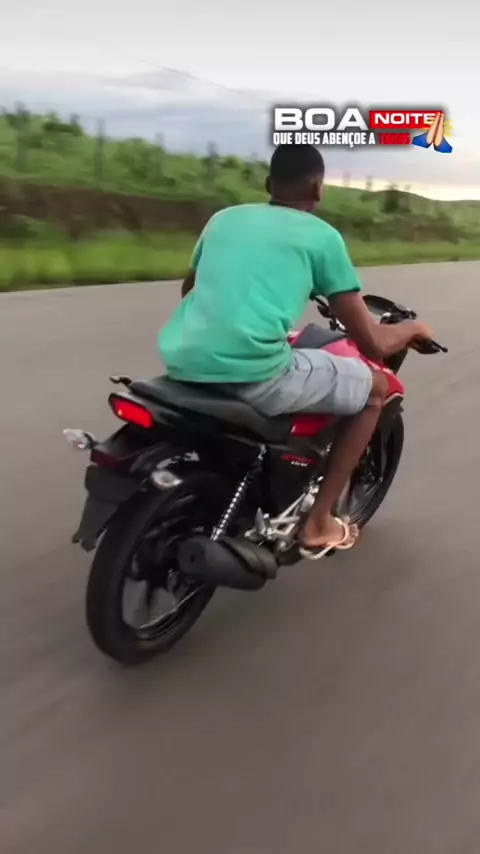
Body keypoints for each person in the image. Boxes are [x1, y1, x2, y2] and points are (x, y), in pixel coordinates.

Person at [159, 144, 433, 559]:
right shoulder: (322, 237)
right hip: (253, 375)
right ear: (318, 187)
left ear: (269, 184)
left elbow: (190, 290)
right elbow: (373, 344)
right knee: (376, 390)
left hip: (182, 360)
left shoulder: (224, 219)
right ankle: (319, 523)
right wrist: (413, 329)